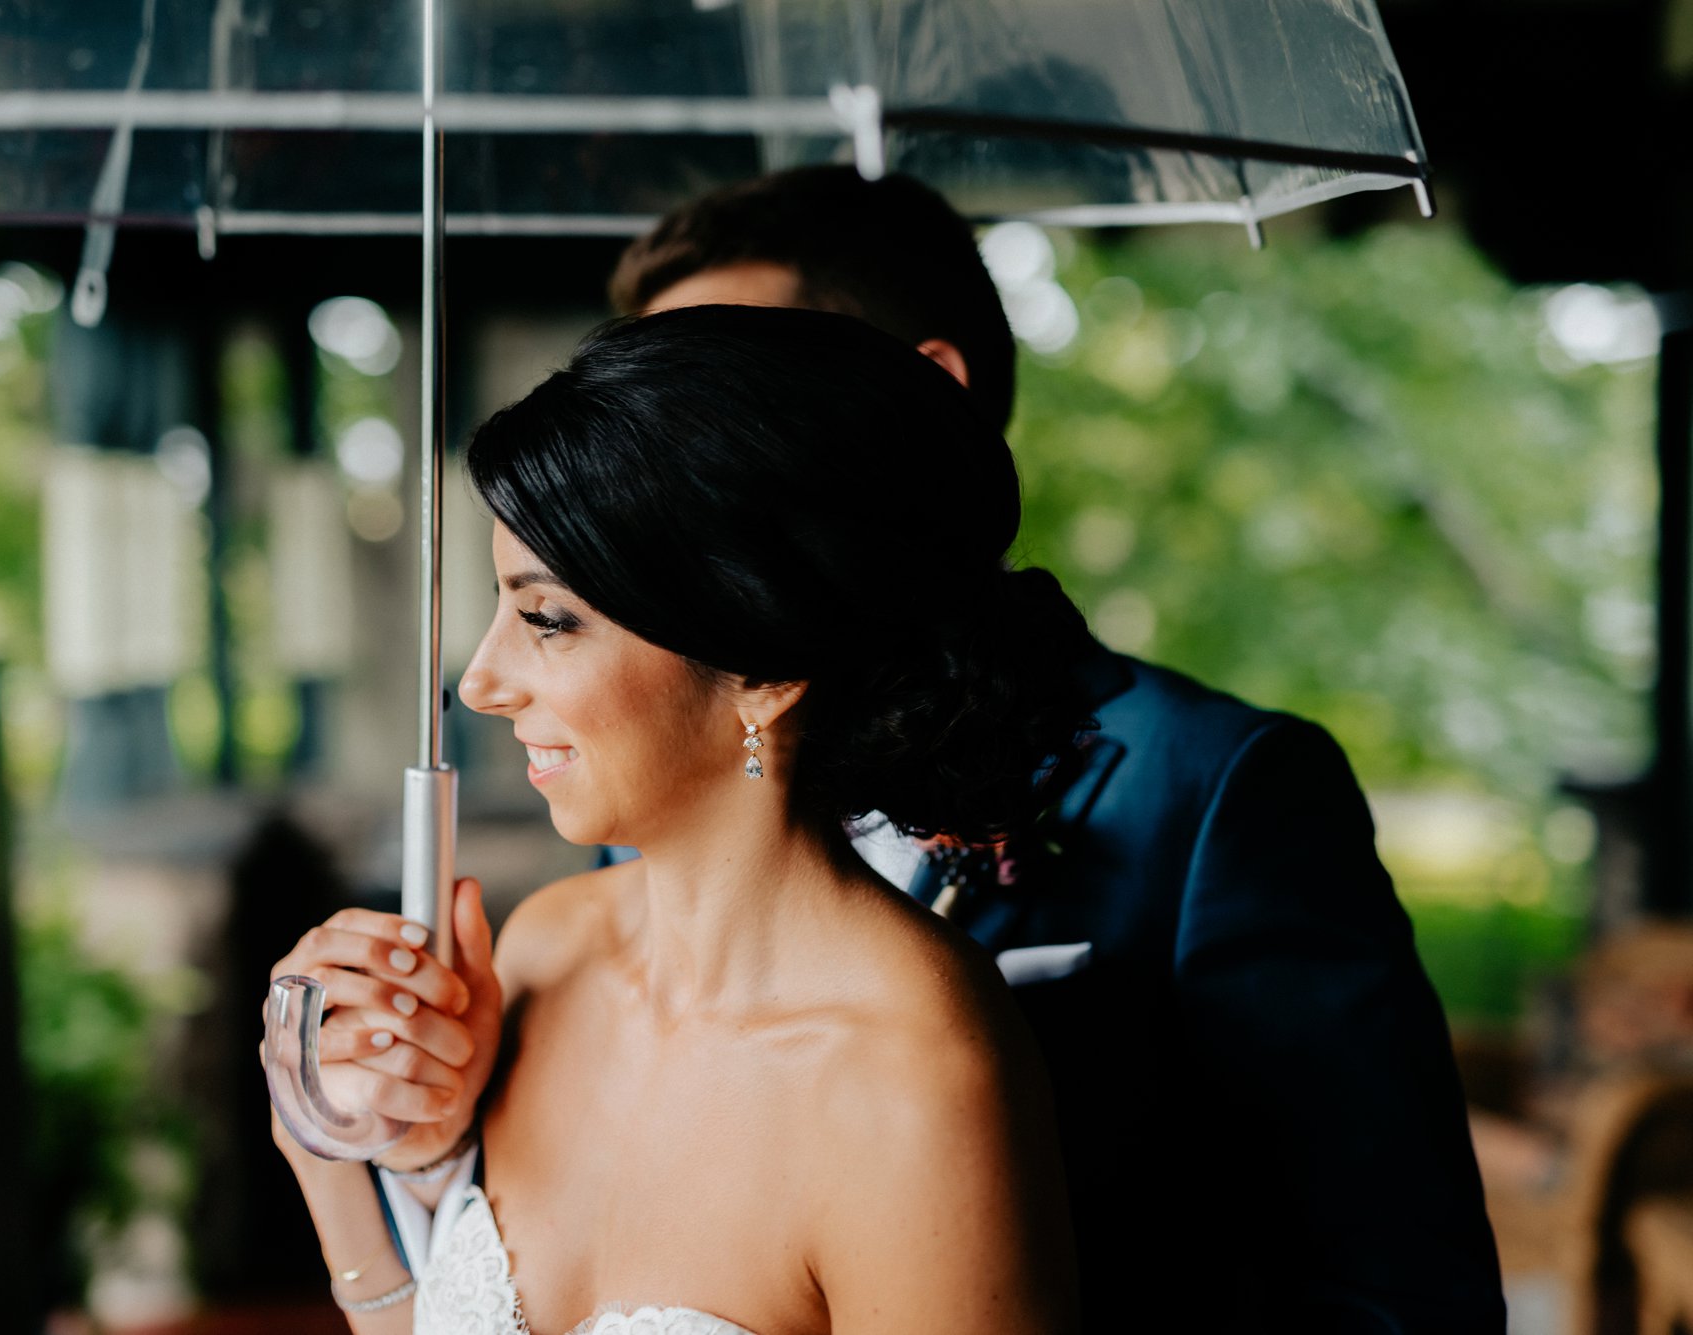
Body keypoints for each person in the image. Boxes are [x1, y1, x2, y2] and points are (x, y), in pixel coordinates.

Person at [603, 166, 1507, 1333]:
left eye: (715, 400)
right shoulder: (651, 784)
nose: (653, 469)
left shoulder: (1216, 789)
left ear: (927, 396)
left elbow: (1397, 1299)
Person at [273, 305, 1088, 1334]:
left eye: (545, 620)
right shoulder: (549, 949)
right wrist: (334, 1141)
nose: (480, 681)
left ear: (760, 667)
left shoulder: (908, 1086)